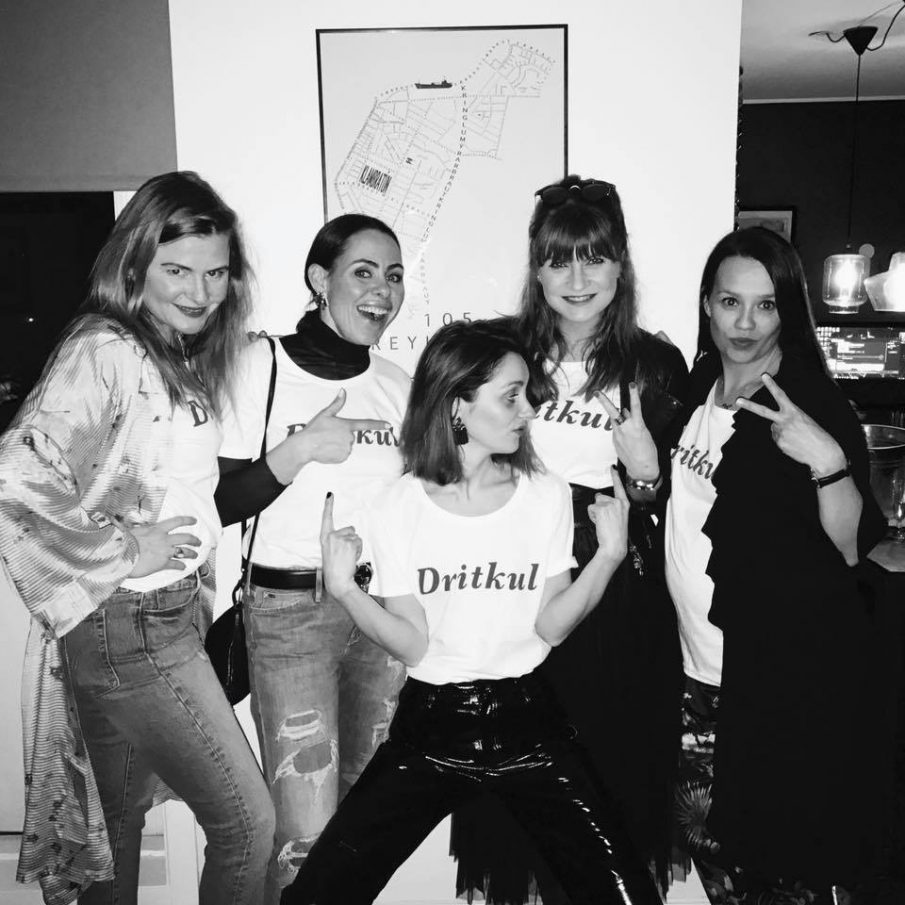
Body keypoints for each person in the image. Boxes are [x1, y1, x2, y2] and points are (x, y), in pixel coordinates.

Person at [278, 319, 663, 905]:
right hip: (432, 730)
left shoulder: (544, 494)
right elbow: (412, 644)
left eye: (526, 394)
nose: (529, 410)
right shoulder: (396, 505)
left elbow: (551, 626)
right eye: (511, 396)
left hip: (531, 725)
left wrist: (608, 558)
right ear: (458, 403)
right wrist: (346, 591)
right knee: (319, 894)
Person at [0, 171, 275, 905]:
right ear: (134, 265)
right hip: (132, 625)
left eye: (215, 272)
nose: (200, 291)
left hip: (154, 616)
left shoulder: (167, 350)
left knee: (114, 827)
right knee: (248, 825)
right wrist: (123, 549)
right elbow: (16, 475)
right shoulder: (108, 348)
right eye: (177, 270)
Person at [453, 174, 688, 902]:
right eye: (559, 260)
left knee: (608, 775)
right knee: (521, 782)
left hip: (615, 584)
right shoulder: (500, 353)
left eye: (594, 258)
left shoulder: (654, 364)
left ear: (620, 265)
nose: (577, 279)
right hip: (514, 579)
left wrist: (645, 475)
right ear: (537, 269)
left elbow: (667, 503)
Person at [663, 227, 888, 903]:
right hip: (692, 675)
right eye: (730, 302)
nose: (745, 323)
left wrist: (826, 461)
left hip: (771, 689)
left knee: (780, 872)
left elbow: (850, 547)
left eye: (765, 305)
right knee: (713, 858)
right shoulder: (696, 388)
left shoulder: (809, 401)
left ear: (786, 310)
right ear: (707, 304)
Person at [215, 213, 410, 903]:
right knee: (303, 832)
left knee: (362, 825)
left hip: (380, 615)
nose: (383, 290)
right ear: (319, 279)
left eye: (394, 276)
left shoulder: (397, 383)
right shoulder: (258, 364)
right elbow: (220, 502)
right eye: (364, 271)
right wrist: (297, 451)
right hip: (290, 613)